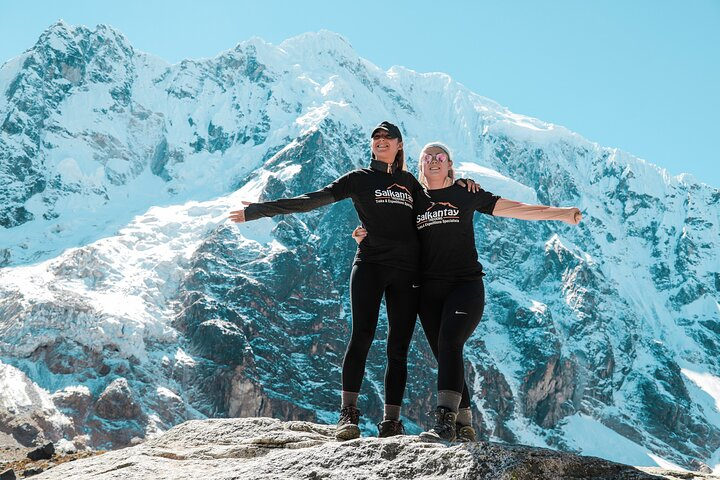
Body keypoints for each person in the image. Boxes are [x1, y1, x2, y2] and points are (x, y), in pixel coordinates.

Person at [229, 123, 477, 440]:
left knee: (398, 348)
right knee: (360, 335)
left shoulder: (410, 184)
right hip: (370, 265)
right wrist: (262, 210)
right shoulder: (359, 179)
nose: (381, 142)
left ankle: (392, 421)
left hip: (407, 272)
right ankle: (348, 416)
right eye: (376, 138)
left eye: (387, 138)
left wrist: (465, 184)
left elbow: (437, 204)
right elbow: (313, 199)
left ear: (400, 145)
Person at [352, 142, 581, 442]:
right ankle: (466, 425)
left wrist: (561, 214)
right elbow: (390, 232)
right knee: (446, 354)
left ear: (450, 164)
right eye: (427, 157)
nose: (433, 160)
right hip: (427, 293)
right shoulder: (413, 201)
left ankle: (444, 424)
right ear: (419, 167)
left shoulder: (465, 193)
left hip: (465, 287)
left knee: (449, 341)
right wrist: (363, 238)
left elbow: (514, 208)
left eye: (440, 156)